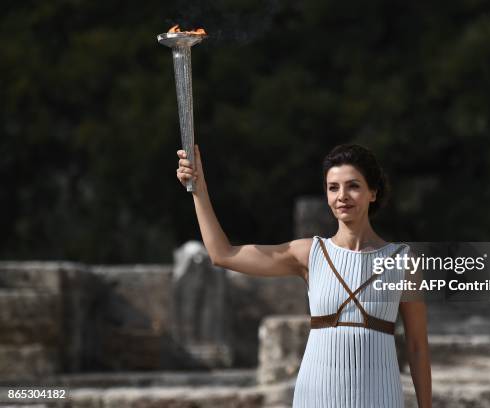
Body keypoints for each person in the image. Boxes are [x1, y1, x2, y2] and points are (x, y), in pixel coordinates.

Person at [176, 143, 432, 407]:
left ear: (373, 192)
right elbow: (223, 254)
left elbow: (416, 346)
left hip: (380, 396)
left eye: (353, 186)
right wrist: (199, 189)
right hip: (317, 395)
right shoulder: (309, 254)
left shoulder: (403, 261)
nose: (342, 195)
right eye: (333, 188)